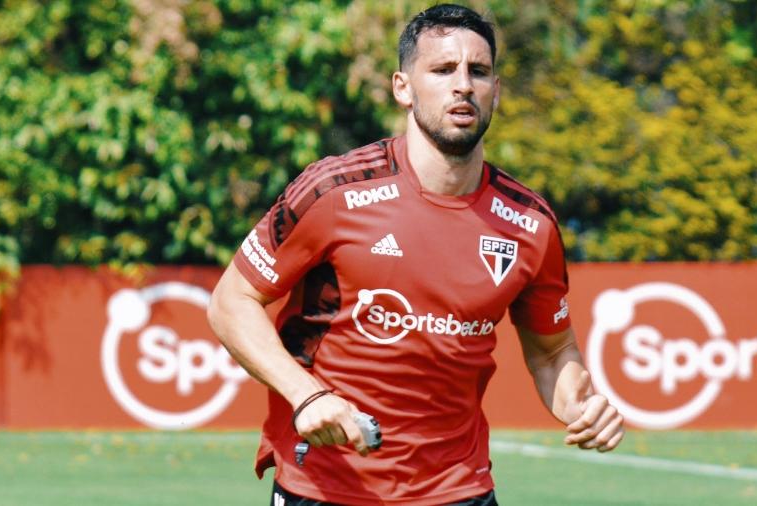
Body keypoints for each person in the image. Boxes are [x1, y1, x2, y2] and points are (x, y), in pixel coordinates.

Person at [207, 4, 624, 505]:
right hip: (325, 487)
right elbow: (232, 302)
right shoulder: (334, 191)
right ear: (403, 87)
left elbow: (553, 353)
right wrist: (306, 394)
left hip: (459, 490)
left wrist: (584, 404)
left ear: (497, 90)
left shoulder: (531, 225)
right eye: (444, 70)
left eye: (480, 71)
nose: (464, 85)